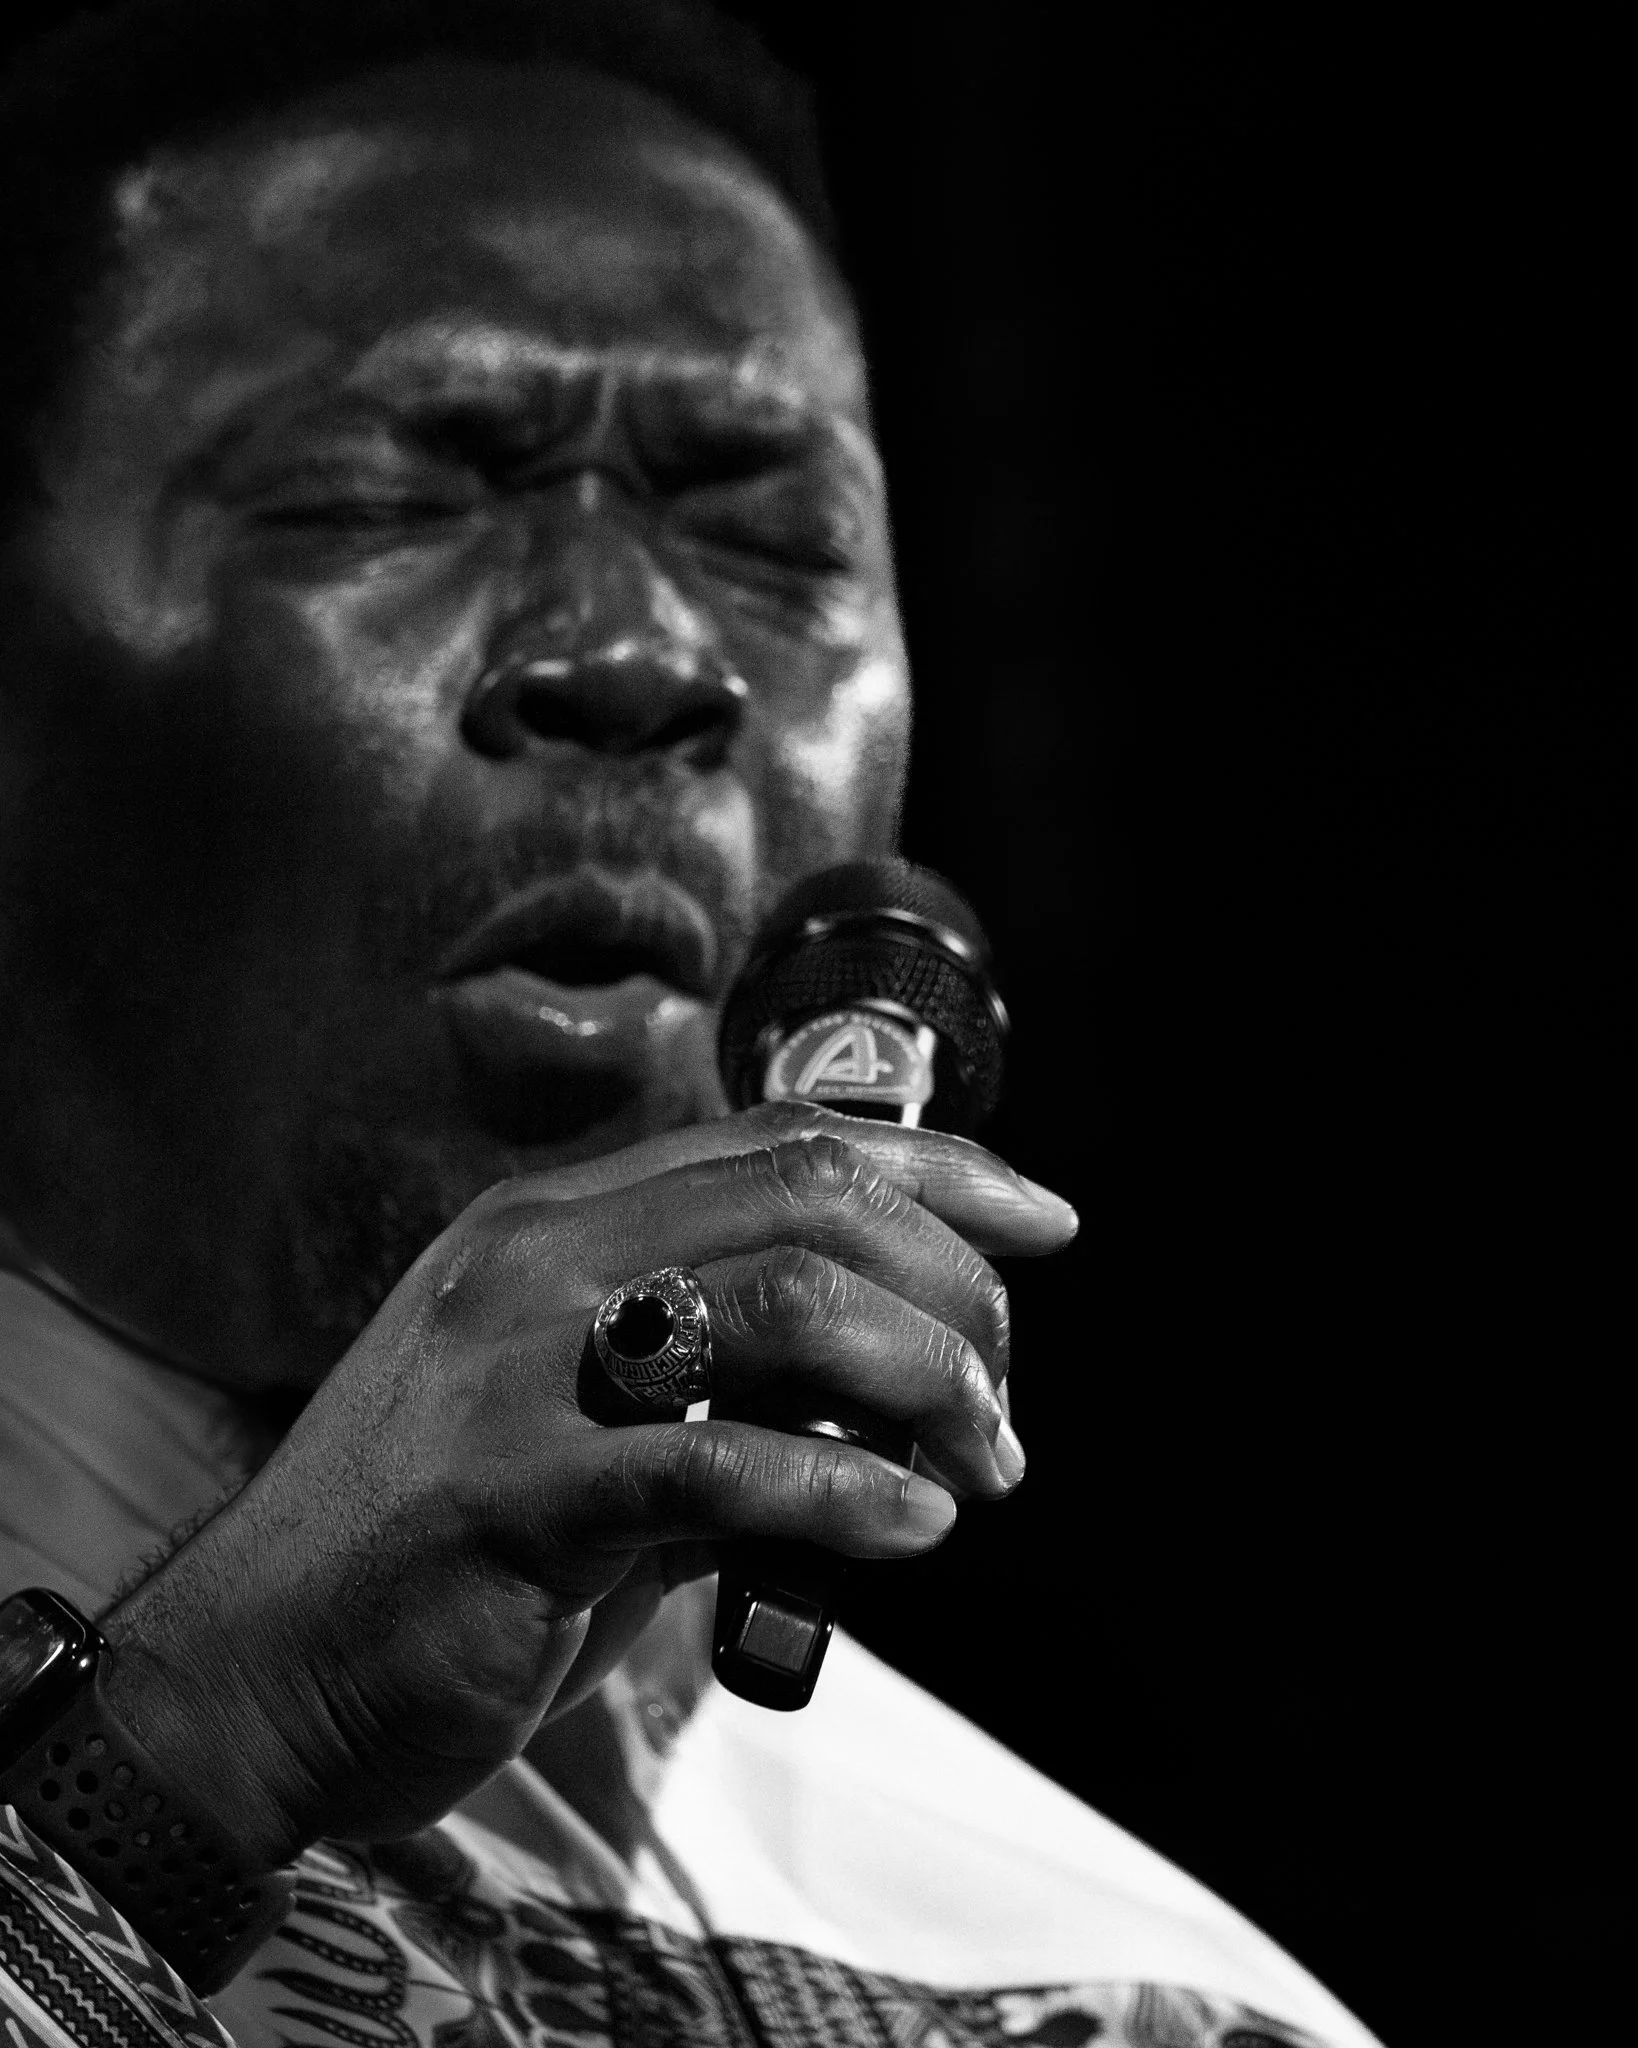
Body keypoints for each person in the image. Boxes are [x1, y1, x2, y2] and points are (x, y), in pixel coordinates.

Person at [0, 4, 1380, 2044]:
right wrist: (175, 1765)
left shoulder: (1124, 2001)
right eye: (404, 491)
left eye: (759, 526)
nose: (637, 653)